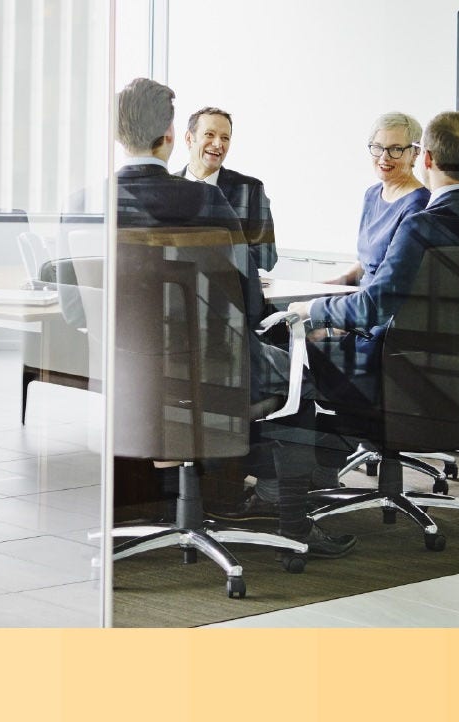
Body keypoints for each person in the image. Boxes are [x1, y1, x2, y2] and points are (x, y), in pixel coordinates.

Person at [111, 77, 353, 558]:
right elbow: (250, 300)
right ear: (172, 135)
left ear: (120, 135)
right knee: (299, 375)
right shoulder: (206, 201)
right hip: (210, 370)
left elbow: (80, 307)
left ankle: (174, 503)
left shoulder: (88, 203)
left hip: (131, 378)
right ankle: (291, 523)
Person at [290, 110, 459, 407]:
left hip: (383, 363)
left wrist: (311, 308)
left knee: (288, 344)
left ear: (425, 158)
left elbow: (374, 306)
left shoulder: (420, 223)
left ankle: (307, 449)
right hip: (437, 371)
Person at [322, 112, 431, 289]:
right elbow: (366, 265)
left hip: (380, 306)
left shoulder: (419, 204)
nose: (384, 157)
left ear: (415, 153)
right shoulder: (372, 195)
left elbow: (394, 280)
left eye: (396, 149)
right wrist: (324, 286)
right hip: (360, 299)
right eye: (378, 147)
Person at [175, 107, 278, 274]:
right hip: (175, 290)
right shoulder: (167, 188)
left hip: (231, 293)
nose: (218, 144)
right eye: (209, 134)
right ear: (189, 138)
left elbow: (267, 256)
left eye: (225, 138)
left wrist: (217, 257)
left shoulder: (249, 190)